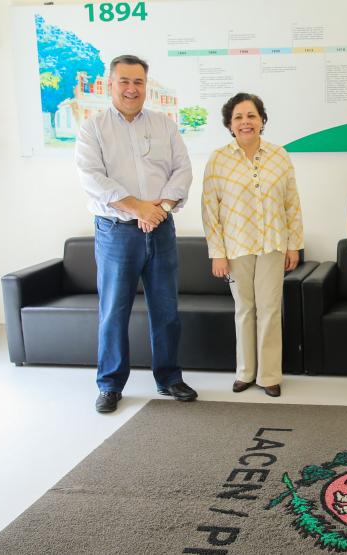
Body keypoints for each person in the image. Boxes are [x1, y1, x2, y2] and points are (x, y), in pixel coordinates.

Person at [76, 54, 196, 413]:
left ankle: (169, 378)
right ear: (110, 84)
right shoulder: (93, 128)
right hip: (116, 232)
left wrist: (161, 208)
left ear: (146, 85)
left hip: (161, 228)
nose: (132, 89)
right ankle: (110, 384)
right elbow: (92, 178)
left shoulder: (164, 125)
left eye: (138, 82)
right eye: (124, 81)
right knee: (114, 311)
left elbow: (182, 170)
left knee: (167, 309)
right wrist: (138, 207)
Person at [202, 92, 303, 397]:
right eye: (238, 117)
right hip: (236, 247)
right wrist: (217, 253)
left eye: (251, 116)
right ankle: (245, 372)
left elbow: (291, 204)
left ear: (261, 120)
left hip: (273, 244)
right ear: (229, 125)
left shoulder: (279, 156)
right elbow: (210, 210)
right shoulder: (218, 159)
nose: (245, 122)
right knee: (244, 309)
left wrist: (294, 245)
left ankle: (269, 376)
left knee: (270, 309)